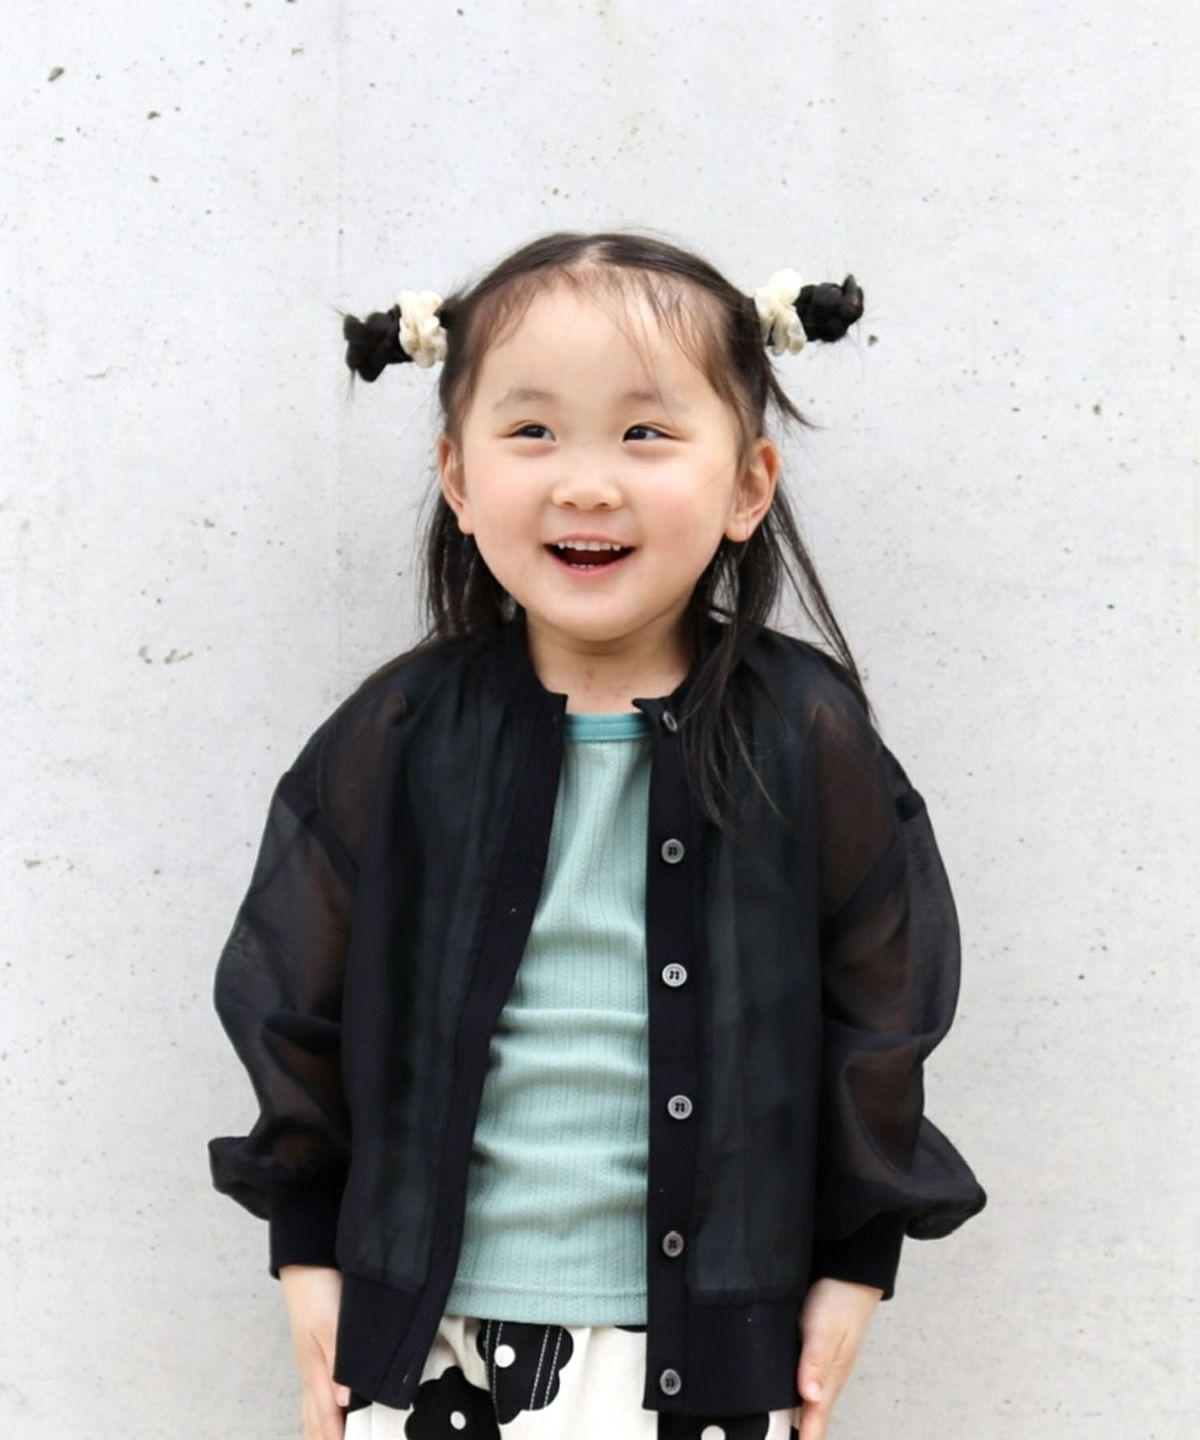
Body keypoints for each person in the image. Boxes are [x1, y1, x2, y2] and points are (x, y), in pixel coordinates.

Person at [207, 229, 987, 1440]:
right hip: (432, 1338)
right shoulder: (400, 734)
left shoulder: (801, 734)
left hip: (712, 1348)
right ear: (458, 479)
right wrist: (307, 1250)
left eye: (644, 433)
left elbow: (882, 1008)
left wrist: (857, 1260)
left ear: (748, 486)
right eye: (532, 431)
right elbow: (291, 997)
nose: (585, 483)